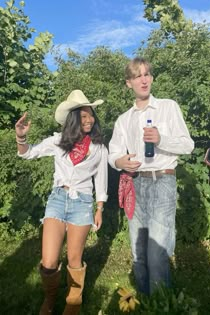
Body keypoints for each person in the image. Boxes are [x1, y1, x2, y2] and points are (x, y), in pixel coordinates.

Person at [15, 90, 108, 315]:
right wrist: (21, 137)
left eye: (91, 115)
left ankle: (72, 304)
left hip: (83, 203)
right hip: (57, 200)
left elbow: (101, 179)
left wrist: (99, 207)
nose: (89, 120)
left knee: (75, 259)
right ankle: (50, 299)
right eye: (83, 116)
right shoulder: (58, 141)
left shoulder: (98, 147)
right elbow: (29, 154)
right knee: (48, 261)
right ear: (74, 119)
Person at [108, 57, 194, 295]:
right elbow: (113, 153)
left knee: (157, 254)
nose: (143, 79)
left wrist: (161, 139)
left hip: (162, 181)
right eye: (138, 76)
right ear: (129, 83)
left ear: (152, 78)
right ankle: (146, 303)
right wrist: (120, 161)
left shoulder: (168, 107)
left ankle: (161, 304)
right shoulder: (124, 120)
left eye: (147, 74)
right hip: (135, 184)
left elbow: (188, 145)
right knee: (138, 252)